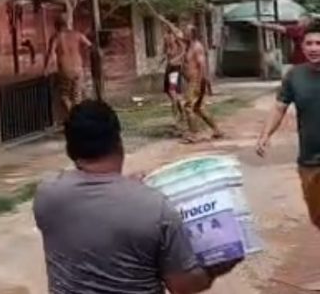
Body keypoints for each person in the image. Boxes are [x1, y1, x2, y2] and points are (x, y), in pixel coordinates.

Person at [33, 100, 239, 294]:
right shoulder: (156, 208)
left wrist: (122, 188)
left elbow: (96, 211)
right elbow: (183, 285)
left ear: (70, 150)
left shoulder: (47, 195)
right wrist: (218, 267)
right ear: (119, 143)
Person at [256, 21, 320, 230]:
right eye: (309, 43)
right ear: (302, 46)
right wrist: (265, 135)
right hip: (309, 160)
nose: (314, 48)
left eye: (319, 43)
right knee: (317, 216)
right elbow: (279, 107)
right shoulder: (294, 76)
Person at [151, 8, 223, 142]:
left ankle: (194, 134)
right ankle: (217, 130)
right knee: (198, 108)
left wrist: (204, 83)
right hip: (191, 81)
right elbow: (175, 31)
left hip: (196, 81)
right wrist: (164, 20)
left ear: (192, 35)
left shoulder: (197, 47)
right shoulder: (187, 44)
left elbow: (202, 66)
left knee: (188, 107)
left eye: (187, 32)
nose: (184, 34)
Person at [43, 14, 92, 120]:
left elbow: (51, 55)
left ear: (56, 25)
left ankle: (73, 117)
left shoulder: (56, 37)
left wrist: (46, 70)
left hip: (65, 70)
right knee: (77, 96)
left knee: (64, 96)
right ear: (68, 24)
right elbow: (90, 46)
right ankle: (79, 118)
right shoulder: (77, 35)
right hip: (78, 69)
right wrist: (84, 57)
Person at [160, 27, 185, 124]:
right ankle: (181, 113)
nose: (167, 40)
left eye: (168, 38)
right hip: (169, 68)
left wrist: (176, 59)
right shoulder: (167, 43)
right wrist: (162, 59)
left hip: (175, 68)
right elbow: (165, 53)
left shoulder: (177, 41)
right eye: (166, 39)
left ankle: (175, 117)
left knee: (172, 91)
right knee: (169, 92)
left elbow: (183, 51)